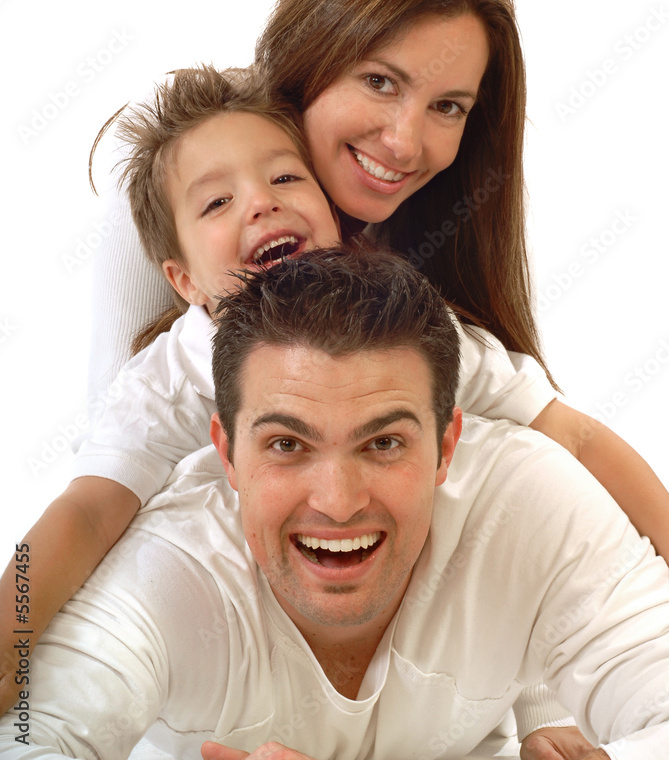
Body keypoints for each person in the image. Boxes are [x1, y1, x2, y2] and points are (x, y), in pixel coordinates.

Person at [86, 0, 669, 572]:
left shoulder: (431, 286)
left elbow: (570, 436)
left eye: (447, 106)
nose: (403, 142)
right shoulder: (186, 186)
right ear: (304, 59)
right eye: (378, 81)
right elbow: (104, 472)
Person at [0, 64, 566, 739]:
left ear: (335, 217)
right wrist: (13, 626)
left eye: (285, 178)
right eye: (216, 204)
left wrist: (542, 710)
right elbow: (86, 512)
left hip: (424, 697)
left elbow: (548, 471)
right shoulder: (168, 378)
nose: (260, 204)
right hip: (237, 693)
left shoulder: (408, 332)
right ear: (183, 281)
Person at [0, 248, 667, 760]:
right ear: (226, 454)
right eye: (288, 444)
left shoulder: (528, 500)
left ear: (444, 447)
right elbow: (26, 738)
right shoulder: (167, 568)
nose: (338, 502)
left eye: (382, 443)